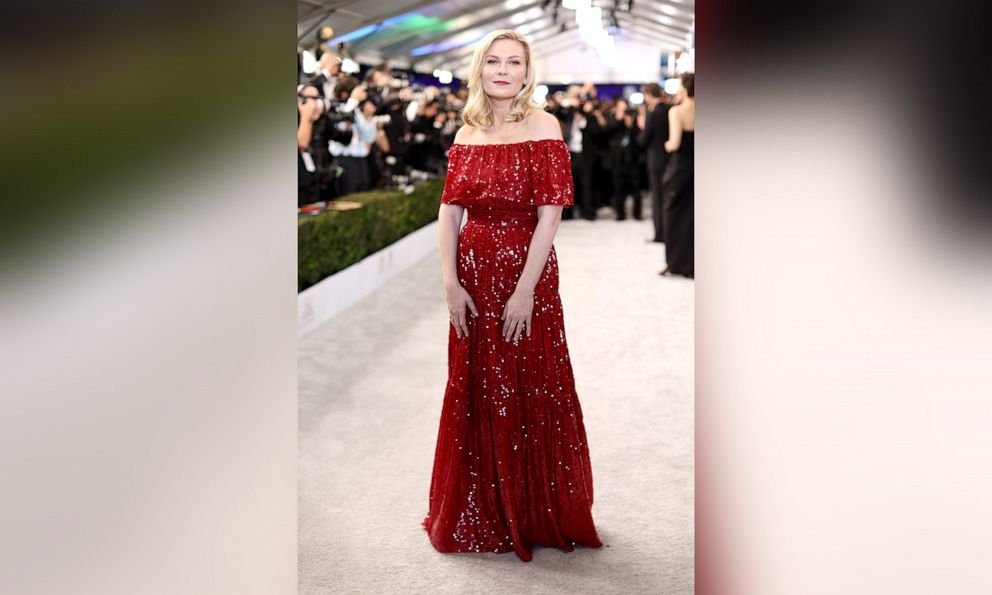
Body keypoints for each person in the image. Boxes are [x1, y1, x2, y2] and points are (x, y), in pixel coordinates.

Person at [423, 29, 603, 563]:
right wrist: (450, 282)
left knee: (528, 384)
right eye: (493, 61)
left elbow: (551, 214)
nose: (503, 70)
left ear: (527, 71)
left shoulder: (545, 125)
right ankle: (482, 505)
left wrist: (525, 292)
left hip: (527, 275)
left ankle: (529, 510)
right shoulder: (465, 132)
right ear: (480, 69)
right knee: (477, 383)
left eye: (514, 62)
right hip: (472, 275)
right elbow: (449, 211)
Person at [661, 72, 695, 278]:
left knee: (673, 213)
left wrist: (665, 145)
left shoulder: (677, 111)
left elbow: (673, 143)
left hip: (681, 167)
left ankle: (675, 262)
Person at [637, 83, 671, 242]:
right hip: (671, 159)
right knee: (668, 198)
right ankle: (669, 232)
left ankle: (660, 235)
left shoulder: (652, 114)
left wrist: (641, 127)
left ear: (649, 94)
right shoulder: (670, 110)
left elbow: (643, 141)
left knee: (657, 200)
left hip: (656, 161)